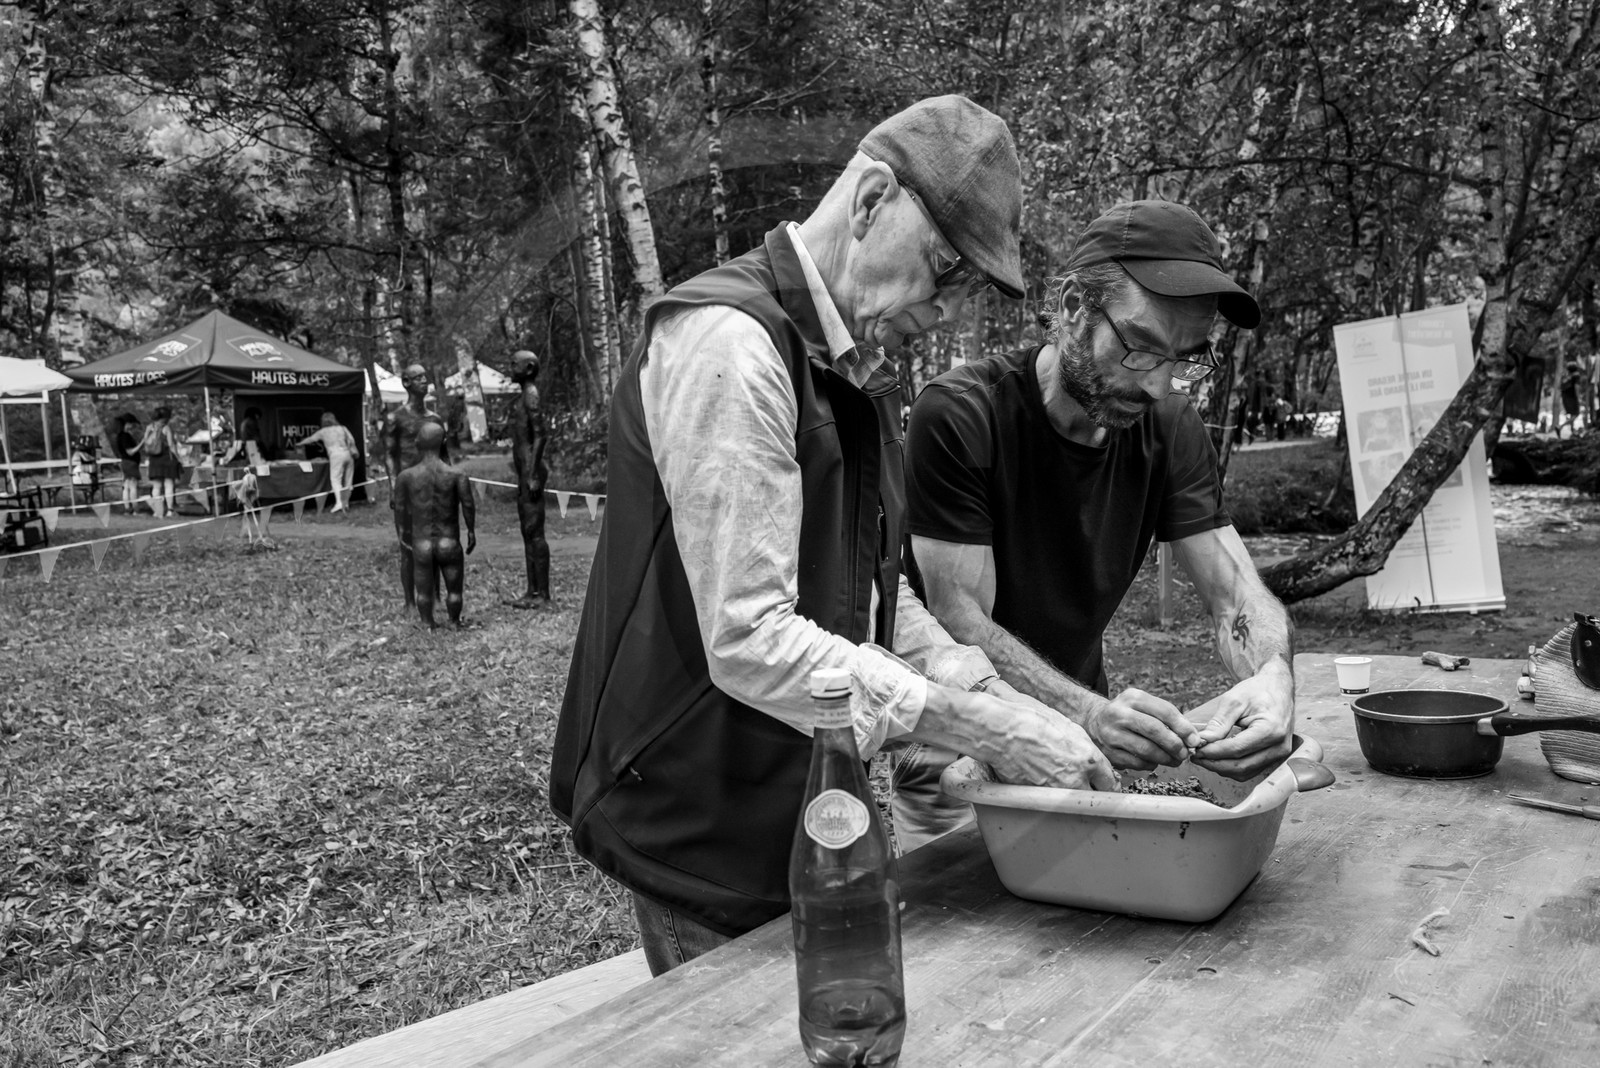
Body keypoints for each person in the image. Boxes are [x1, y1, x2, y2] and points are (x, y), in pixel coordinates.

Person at [550, 95, 1116, 978]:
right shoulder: (731, 345)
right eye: (940, 268)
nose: (944, 311)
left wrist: (986, 688)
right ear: (869, 201)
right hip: (695, 810)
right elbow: (749, 636)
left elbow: (869, 594)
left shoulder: (849, 367)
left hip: (792, 797)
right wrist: (987, 730)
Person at [897, 199, 1296, 852]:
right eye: (1140, 348)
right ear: (1072, 305)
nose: (1161, 387)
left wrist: (1272, 675)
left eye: (1186, 359)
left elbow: (1233, 595)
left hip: (1088, 748)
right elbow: (960, 618)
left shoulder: (1170, 427)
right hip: (959, 752)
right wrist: (1083, 709)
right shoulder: (962, 415)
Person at [392, 421, 475, 627]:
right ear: (444, 442)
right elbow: (468, 505)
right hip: (449, 542)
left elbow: (400, 510)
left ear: (418, 443)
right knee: (454, 589)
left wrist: (402, 535)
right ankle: (454, 621)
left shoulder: (406, 476)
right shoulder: (457, 475)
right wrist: (471, 532)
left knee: (423, 589)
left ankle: (427, 621)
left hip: (422, 544)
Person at [385, 363, 447, 607]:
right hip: (407, 488)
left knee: (437, 542)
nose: (424, 381)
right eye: (418, 377)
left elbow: (445, 454)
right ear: (406, 383)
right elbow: (389, 454)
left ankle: (436, 595)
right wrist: (393, 486)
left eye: (425, 376)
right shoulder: (395, 417)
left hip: (434, 487)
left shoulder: (435, 418)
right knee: (408, 544)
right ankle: (410, 602)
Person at [504, 349, 551, 608]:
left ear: (529, 368)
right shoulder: (523, 395)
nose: (511, 368)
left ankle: (542, 593)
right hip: (524, 473)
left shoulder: (531, 394)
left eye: (514, 364)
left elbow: (540, 436)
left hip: (531, 473)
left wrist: (532, 474)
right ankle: (532, 590)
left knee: (534, 532)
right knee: (527, 531)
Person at [299, 411, 358, 512]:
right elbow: (352, 440)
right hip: (348, 454)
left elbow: (311, 439)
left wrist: (299, 443)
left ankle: (339, 503)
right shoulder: (343, 428)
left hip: (335, 455)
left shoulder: (323, 431)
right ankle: (346, 503)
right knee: (348, 480)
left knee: (335, 480)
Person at [141, 407, 182, 518]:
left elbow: (146, 443)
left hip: (154, 459)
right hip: (166, 459)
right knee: (169, 485)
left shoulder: (149, 428)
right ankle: (169, 510)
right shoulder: (166, 428)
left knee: (156, 486)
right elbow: (171, 445)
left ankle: (157, 511)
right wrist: (178, 458)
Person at [113, 414, 142, 514]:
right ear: (127, 424)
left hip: (125, 463)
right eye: (132, 424)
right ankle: (135, 509)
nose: (133, 427)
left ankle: (127, 508)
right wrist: (142, 443)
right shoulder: (125, 436)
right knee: (133, 486)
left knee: (127, 486)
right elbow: (130, 451)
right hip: (130, 463)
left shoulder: (120, 436)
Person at [68, 436, 100, 507]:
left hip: (82, 478)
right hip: (81, 478)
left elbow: (96, 459)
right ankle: (89, 503)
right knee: (91, 483)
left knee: (92, 482)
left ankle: (89, 502)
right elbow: (92, 460)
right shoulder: (80, 454)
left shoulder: (79, 454)